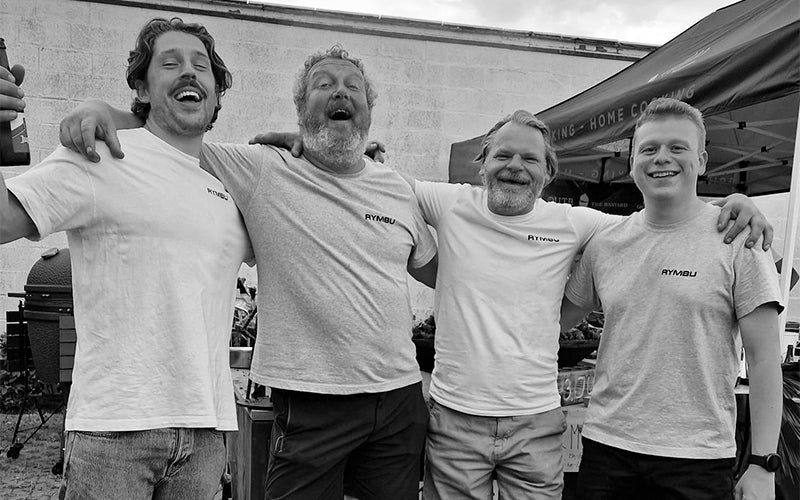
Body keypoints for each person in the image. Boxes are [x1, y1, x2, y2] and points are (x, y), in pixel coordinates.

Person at [248, 108, 774, 499]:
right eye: (502, 155)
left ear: (548, 173)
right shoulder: (448, 203)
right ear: (481, 166)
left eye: (530, 159)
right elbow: (363, 177)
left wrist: (732, 205)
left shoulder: (579, 225)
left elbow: (662, 222)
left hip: (538, 424)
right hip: (455, 420)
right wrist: (309, 144)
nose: (515, 167)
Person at [56, 44, 438, 500]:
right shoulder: (261, 169)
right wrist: (106, 112)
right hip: (311, 399)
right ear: (302, 109)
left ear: (368, 110)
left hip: (398, 399)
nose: (341, 92)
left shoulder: (397, 187)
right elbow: (172, 137)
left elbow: (439, 274)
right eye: (325, 84)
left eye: (353, 86)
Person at [0, 18, 252, 499]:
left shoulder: (228, 186)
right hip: (113, 433)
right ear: (141, 87)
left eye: (201, 65)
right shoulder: (101, 155)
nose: (189, 72)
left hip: (206, 435)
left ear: (217, 93)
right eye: (170, 63)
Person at [561, 98, 783, 500]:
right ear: (633, 163)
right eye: (649, 148)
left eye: (677, 147)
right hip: (607, 450)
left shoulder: (739, 240)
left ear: (701, 160)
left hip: (697, 459)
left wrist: (762, 464)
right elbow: (555, 320)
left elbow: (765, 359)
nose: (661, 157)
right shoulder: (606, 243)